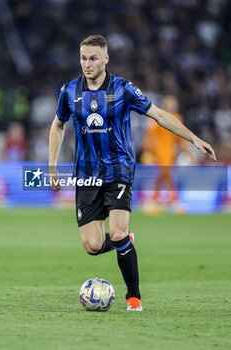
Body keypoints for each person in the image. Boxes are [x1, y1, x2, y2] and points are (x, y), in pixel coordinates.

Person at [49, 35, 216, 311]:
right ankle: (126, 240)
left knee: (116, 233)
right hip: (87, 174)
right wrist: (52, 164)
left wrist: (193, 139)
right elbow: (57, 125)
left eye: (93, 58)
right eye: (83, 58)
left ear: (106, 59)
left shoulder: (123, 89)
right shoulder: (69, 92)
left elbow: (159, 115)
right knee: (92, 245)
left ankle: (134, 298)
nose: (87, 64)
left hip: (119, 170)